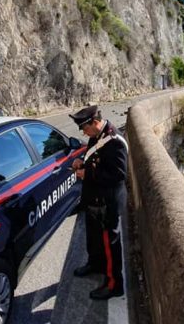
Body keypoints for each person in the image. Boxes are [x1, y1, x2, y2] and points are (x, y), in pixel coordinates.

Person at [68, 105, 128, 300]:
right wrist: (81, 163)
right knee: (94, 237)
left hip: (107, 202)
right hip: (95, 199)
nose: (83, 132)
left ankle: (114, 284)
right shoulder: (97, 135)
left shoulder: (114, 140)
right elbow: (94, 157)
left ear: (94, 122)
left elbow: (119, 174)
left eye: (84, 127)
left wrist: (88, 174)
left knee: (110, 243)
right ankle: (95, 264)